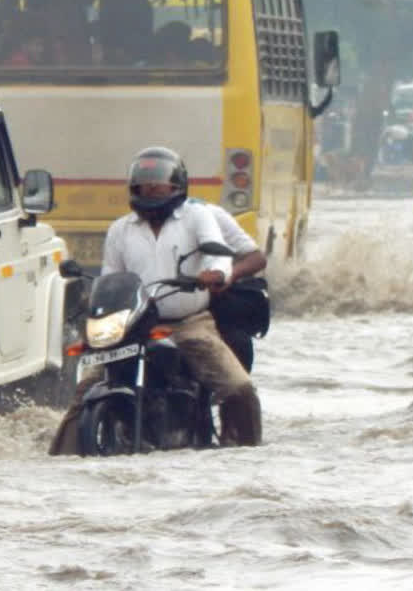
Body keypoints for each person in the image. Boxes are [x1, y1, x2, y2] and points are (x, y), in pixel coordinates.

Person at [49, 146, 263, 455]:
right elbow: (111, 277)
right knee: (84, 392)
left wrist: (215, 274)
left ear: (177, 185)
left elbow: (217, 254)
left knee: (239, 388)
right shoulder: (120, 229)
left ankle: (248, 454)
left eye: (159, 182)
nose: (151, 188)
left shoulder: (197, 216)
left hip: (188, 323)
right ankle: (60, 460)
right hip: (131, 324)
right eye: (144, 182)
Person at [187, 197, 267, 371]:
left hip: (208, 303)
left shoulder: (211, 214)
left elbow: (257, 258)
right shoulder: (130, 227)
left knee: (236, 356)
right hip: (161, 307)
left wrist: (226, 276)